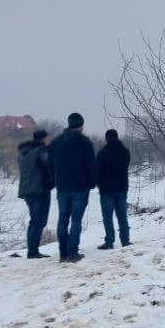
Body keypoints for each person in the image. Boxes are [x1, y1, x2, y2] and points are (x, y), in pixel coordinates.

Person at [47, 112, 97, 262]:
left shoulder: (56, 143)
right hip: (81, 188)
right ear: (81, 126)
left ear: (69, 124)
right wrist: (92, 182)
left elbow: (50, 165)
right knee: (76, 220)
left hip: (62, 187)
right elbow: (91, 165)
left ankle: (63, 254)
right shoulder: (85, 142)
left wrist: (55, 179)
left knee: (62, 220)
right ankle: (73, 253)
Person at [16, 128, 54, 258]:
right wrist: (52, 181)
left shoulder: (23, 153)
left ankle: (32, 249)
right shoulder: (41, 151)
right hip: (39, 189)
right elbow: (48, 167)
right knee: (39, 221)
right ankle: (33, 251)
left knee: (34, 220)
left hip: (26, 190)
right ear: (43, 138)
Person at [96, 129, 131, 249]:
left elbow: (98, 171)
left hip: (106, 190)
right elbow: (125, 167)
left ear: (106, 139)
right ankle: (125, 240)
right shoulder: (125, 152)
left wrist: (99, 183)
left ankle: (109, 241)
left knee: (107, 217)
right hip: (121, 188)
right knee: (122, 215)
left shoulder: (102, 153)